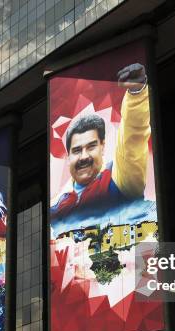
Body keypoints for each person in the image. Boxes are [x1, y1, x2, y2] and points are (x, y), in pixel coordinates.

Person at [50, 63, 152, 219]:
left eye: (91, 146)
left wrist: (136, 94)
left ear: (103, 147)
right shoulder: (55, 207)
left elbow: (133, 136)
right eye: (77, 150)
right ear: (68, 155)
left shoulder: (120, 180)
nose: (84, 156)